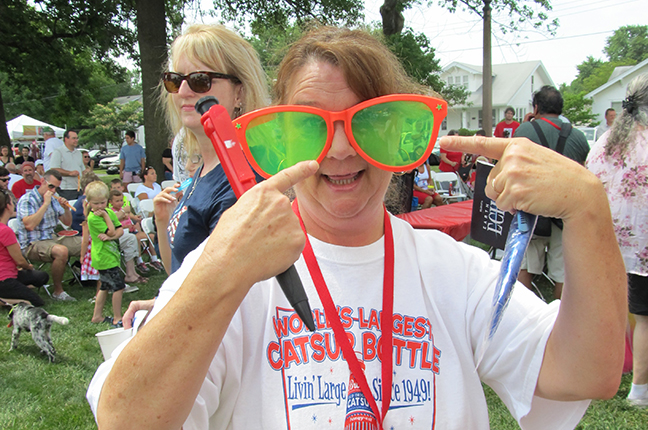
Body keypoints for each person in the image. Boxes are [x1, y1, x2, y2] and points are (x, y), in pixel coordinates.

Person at [88, 26, 626, 430]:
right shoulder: (230, 269)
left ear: (399, 138)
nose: (342, 150)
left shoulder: (452, 270)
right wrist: (217, 274)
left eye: (369, 123)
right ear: (280, 139)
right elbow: (125, 419)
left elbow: (585, 373)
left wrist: (589, 211)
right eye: (309, 127)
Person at [152, 23, 269, 275]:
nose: (183, 91)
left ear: (240, 92)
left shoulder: (241, 180)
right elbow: (177, 272)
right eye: (175, 80)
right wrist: (163, 222)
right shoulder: (206, 170)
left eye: (200, 80)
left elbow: (222, 296)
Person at [586, 74, 648, 408]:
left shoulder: (605, 141)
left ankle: (613, 369)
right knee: (644, 318)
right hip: (640, 247)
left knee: (617, 310)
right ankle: (639, 388)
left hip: (607, 241)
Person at [513, 85, 590, 299]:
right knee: (563, 274)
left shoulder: (524, 132)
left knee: (526, 267)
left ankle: (524, 319)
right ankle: (557, 323)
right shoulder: (578, 136)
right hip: (565, 214)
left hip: (532, 210)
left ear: (536, 107)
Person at [71, 173, 151, 283]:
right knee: (106, 283)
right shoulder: (90, 210)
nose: (100, 204)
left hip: (108, 242)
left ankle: (130, 273)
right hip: (98, 245)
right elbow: (110, 230)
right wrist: (121, 213)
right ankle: (120, 280)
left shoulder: (102, 208)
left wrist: (117, 224)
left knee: (131, 238)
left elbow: (117, 227)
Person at [16, 169, 80, 301]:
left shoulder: (54, 199)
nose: (53, 190)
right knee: (61, 251)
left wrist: (66, 208)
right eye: (51, 186)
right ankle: (58, 291)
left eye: (56, 188)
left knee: (88, 241)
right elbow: (30, 225)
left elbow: (67, 223)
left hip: (52, 237)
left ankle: (94, 280)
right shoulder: (28, 199)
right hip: (33, 242)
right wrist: (45, 203)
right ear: (42, 181)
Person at [85, 181, 126, 328]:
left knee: (105, 286)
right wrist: (109, 225)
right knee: (118, 287)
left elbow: (119, 230)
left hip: (111, 255)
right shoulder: (94, 218)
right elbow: (112, 230)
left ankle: (97, 316)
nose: (100, 207)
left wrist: (111, 237)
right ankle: (117, 317)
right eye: (95, 204)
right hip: (103, 257)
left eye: (102, 203)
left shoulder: (108, 212)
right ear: (89, 202)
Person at [0, 188, 48, 307]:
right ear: (8, 206)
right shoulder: (5, 231)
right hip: (4, 279)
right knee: (35, 302)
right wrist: (28, 266)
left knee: (42, 277)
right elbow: (19, 260)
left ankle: (14, 292)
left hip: (12, 273)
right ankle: (2, 300)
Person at [109, 189, 164, 272]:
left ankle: (154, 259)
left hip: (133, 231)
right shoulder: (111, 213)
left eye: (121, 200)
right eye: (117, 201)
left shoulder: (125, 210)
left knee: (152, 236)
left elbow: (133, 220)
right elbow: (113, 226)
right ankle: (139, 261)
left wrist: (135, 225)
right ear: (111, 202)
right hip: (123, 234)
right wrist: (125, 227)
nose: (120, 203)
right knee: (137, 238)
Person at [50, 130, 85, 200]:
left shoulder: (78, 153)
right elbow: (54, 169)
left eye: (77, 138)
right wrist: (69, 173)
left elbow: (82, 170)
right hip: (66, 189)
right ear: (66, 139)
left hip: (79, 189)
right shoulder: (58, 152)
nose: (76, 140)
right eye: (73, 138)